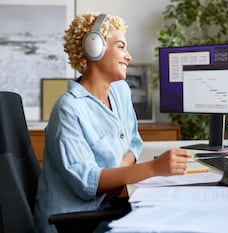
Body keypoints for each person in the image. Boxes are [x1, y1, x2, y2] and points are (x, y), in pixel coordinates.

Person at [34, 13, 192, 233]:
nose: (129, 56)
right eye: (121, 47)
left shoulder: (120, 91)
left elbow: (134, 143)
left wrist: (114, 177)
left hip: (103, 208)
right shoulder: (68, 109)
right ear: (94, 48)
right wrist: (154, 168)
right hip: (71, 223)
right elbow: (88, 183)